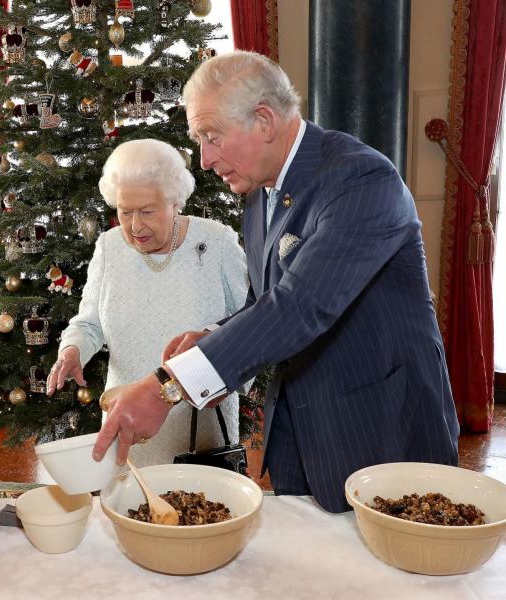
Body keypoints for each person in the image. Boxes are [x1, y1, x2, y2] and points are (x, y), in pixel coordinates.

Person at [92, 51, 460, 513]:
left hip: (380, 427)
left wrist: (167, 386)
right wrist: (215, 336)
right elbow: (265, 302)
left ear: (264, 121)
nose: (204, 160)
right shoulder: (261, 193)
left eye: (211, 137)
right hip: (301, 432)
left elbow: (299, 306)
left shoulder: (361, 180)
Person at [46, 138, 248, 466]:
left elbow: (250, 325)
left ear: (175, 202)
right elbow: (89, 323)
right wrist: (73, 351)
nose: (135, 226)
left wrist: (228, 376)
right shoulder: (109, 248)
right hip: (127, 421)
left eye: (148, 211)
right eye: (125, 212)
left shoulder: (217, 242)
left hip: (199, 428)